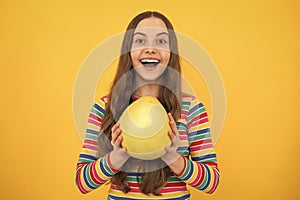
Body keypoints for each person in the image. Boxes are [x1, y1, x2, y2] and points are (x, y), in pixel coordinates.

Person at [75, 11, 220, 200]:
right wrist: (117, 157)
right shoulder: (103, 108)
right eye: (140, 41)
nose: (150, 49)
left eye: (161, 42)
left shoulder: (192, 109)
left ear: (172, 52)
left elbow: (211, 182)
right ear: (128, 51)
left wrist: (172, 158)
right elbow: (82, 182)